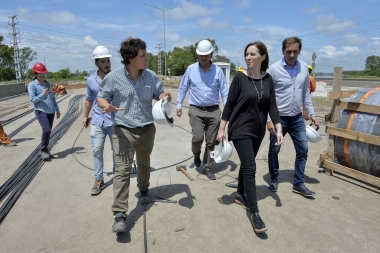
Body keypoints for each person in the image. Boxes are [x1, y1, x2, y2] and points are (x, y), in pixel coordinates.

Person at [96, 37, 172, 233]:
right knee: (122, 170)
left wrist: (164, 96)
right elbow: (101, 98)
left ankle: (144, 189)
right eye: (143, 55)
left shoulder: (151, 77)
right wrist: (108, 106)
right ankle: (119, 214)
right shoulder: (113, 77)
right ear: (130, 58)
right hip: (123, 130)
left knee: (144, 162)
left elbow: (159, 94)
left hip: (146, 129)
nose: (147, 58)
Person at [217, 41, 283, 233]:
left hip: (258, 130)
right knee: (251, 167)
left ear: (263, 57)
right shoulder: (239, 78)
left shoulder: (268, 79)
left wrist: (278, 129)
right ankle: (255, 213)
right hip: (239, 129)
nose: (248, 57)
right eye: (247, 54)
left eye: (253, 54)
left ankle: (239, 194)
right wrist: (222, 129)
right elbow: (229, 106)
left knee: (247, 164)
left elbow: (272, 107)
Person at [266, 37, 319, 197]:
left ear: (299, 51)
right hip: (278, 119)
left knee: (303, 149)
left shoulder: (303, 67)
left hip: (297, 118)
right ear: (283, 51)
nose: (291, 54)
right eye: (288, 51)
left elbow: (306, 93)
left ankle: (298, 183)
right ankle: (274, 179)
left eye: (295, 51)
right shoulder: (273, 69)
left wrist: (312, 113)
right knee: (274, 150)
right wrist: (269, 119)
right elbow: (267, 96)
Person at [176, 39, 229, 180]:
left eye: (206, 55)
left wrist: (229, 110)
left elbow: (224, 91)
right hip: (196, 110)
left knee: (212, 142)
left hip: (213, 110)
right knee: (198, 138)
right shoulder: (191, 69)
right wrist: (179, 104)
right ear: (198, 55)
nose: (203, 58)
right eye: (201, 55)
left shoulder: (218, 71)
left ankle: (207, 167)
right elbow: (183, 87)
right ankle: (196, 154)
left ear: (211, 55)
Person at [83, 46, 116, 196]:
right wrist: (85, 116)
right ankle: (98, 179)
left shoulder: (116, 77)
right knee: (97, 150)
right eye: (103, 61)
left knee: (117, 150)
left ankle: (119, 177)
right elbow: (89, 100)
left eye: (108, 60)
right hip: (97, 120)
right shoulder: (91, 80)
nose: (106, 64)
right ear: (96, 63)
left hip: (115, 121)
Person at [28, 62, 61, 160]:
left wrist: (57, 109)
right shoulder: (32, 85)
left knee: (48, 131)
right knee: (46, 129)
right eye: (41, 74)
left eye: (44, 74)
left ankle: (46, 149)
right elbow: (33, 99)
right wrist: (43, 94)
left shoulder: (48, 84)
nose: (43, 76)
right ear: (35, 74)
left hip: (50, 111)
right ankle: (42, 149)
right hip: (41, 110)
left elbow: (52, 98)